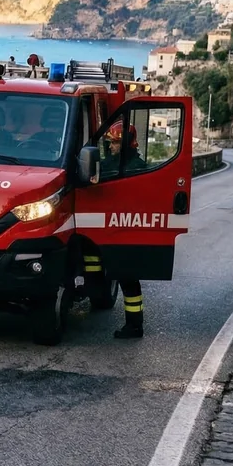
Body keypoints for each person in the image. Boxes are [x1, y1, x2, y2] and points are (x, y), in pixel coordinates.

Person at [95, 119, 147, 339]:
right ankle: (134, 324)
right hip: (118, 229)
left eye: (115, 143)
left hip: (125, 230)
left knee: (128, 279)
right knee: (126, 278)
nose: (111, 147)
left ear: (126, 143)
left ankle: (134, 326)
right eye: (110, 143)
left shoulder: (131, 167)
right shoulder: (127, 164)